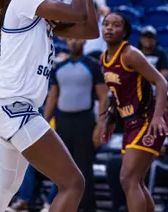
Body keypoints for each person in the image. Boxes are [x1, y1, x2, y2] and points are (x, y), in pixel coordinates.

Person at [0, 0, 100, 212]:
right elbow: (78, 12)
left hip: (11, 105)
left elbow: (90, 29)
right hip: (12, 105)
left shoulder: (40, 16)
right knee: (73, 182)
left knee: (7, 185)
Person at [98, 11, 168, 212]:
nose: (109, 28)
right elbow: (117, 95)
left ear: (125, 32)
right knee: (135, 182)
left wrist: (157, 117)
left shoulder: (130, 54)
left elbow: (161, 82)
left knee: (128, 179)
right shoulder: (104, 59)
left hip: (148, 119)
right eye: (106, 24)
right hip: (130, 122)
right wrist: (109, 122)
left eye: (116, 25)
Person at [42, 38, 109, 212]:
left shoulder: (93, 65)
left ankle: (87, 208)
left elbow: (103, 97)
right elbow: (52, 97)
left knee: (83, 167)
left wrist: (100, 124)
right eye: (71, 39)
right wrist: (43, 122)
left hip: (84, 121)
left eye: (77, 39)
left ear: (84, 41)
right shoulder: (59, 67)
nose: (74, 42)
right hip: (63, 121)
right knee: (62, 167)